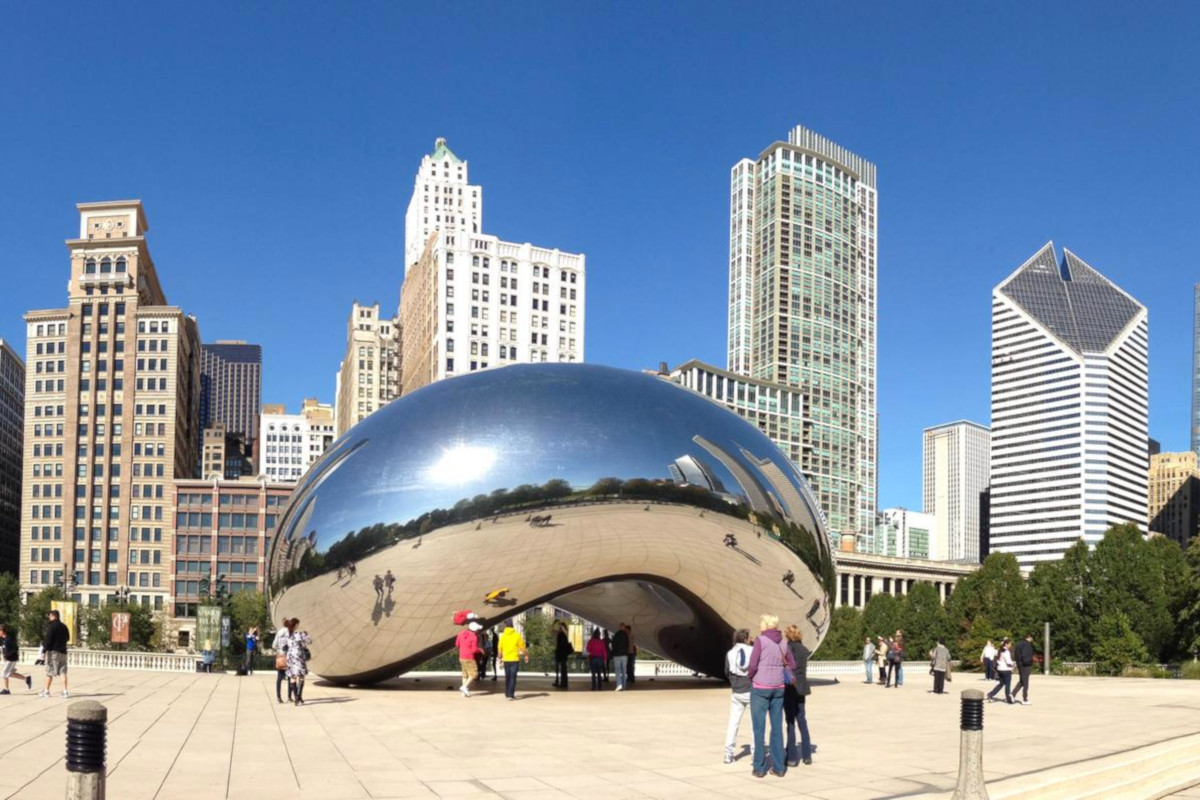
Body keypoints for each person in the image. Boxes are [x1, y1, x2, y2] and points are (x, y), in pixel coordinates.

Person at [747, 613, 796, 778]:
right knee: (777, 728)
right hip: (779, 688)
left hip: (760, 687)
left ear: (766, 624)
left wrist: (751, 676)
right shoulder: (783, 642)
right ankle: (779, 767)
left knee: (759, 728)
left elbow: (753, 664)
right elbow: (792, 663)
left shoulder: (761, 641)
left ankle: (759, 767)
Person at [782, 625, 812, 767]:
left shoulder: (788, 648)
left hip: (790, 687)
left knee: (790, 722)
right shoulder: (803, 649)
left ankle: (792, 757)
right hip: (802, 687)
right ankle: (807, 755)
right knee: (802, 721)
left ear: (788, 635)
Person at [723, 628, 753, 764]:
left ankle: (728, 754)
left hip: (737, 691)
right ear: (746, 639)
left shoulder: (730, 653)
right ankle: (755, 753)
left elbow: (726, 672)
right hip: (751, 690)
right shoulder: (751, 651)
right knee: (755, 724)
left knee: (733, 723)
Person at [40, 609, 70, 699]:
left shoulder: (52, 626)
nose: (49, 618)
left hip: (53, 652)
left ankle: (46, 691)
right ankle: (65, 691)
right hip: (63, 652)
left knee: (49, 671)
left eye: (50, 616)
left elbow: (48, 640)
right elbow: (68, 638)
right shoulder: (64, 626)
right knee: (63, 672)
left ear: (53, 616)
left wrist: (43, 651)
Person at [497, 620, 528, 700]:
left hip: (506, 659)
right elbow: (522, 647)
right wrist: (526, 655)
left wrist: (500, 658)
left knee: (507, 676)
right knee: (513, 677)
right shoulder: (517, 636)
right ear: (513, 626)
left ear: (506, 627)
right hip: (514, 659)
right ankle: (510, 694)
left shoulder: (503, 636)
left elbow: (500, 648)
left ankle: (507, 693)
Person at [283, 618, 312, 706]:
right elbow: (309, 641)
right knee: (301, 676)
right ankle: (298, 697)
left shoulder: (287, 635)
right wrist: (307, 635)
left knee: (292, 677)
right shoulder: (300, 634)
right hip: (299, 657)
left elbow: (284, 646)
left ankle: (296, 698)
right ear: (296, 625)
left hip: (290, 658)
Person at [0, 623, 32, 694]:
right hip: (10, 659)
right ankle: (27, 679)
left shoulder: (8, 639)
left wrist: (7, 655)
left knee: (4, 673)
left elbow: (15, 648)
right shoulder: (4, 639)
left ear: (2, 631)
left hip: (11, 659)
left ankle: (6, 690)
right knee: (10, 673)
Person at [455, 620, 482, 697]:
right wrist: (479, 650)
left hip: (461, 656)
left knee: (465, 675)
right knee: (474, 674)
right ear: (475, 630)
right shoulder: (474, 637)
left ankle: (463, 692)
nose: (478, 631)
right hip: (469, 657)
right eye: (477, 629)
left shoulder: (461, 633)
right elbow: (474, 649)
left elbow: (457, 644)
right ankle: (464, 687)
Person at [272, 618, 294, 703]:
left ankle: (278, 697)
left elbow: (273, 645)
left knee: (279, 678)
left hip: (280, 656)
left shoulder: (279, 632)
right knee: (290, 677)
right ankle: (289, 697)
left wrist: (279, 649)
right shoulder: (290, 633)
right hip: (288, 656)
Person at [987, 638, 1014, 704]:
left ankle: (991, 694)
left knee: (1001, 684)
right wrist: (1012, 665)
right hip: (1006, 670)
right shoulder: (1006, 651)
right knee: (1007, 685)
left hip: (1000, 669)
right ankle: (1008, 699)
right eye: (1010, 644)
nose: (1010, 645)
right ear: (1006, 644)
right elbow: (1008, 661)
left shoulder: (1000, 650)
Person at [1011, 633, 1035, 705]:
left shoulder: (1019, 644)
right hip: (1025, 666)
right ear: (1029, 637)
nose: (1032, 639)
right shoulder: (1026, 644)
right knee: (1025, 682)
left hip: (1020, 665)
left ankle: (1012, 694)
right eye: (1032, 638)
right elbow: (1026, 655)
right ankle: (1025, 699)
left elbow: (1016, 655)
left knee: (1022, 681)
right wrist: (1029, 662)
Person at [553, 621, 572, 690]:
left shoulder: (565, 633)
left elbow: (566, 633)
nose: (560, 628)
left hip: (563, 653)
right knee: (560, 668)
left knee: (564, 669)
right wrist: (554, 623)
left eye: (561, 626)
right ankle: (561, 682)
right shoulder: (559, 634)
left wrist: (562, 627)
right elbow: (552, 630)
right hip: (560, 653)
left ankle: (564, 683)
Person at [611, 623, 630, 691]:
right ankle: (624, 685)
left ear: (620, 627)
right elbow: (627, 644)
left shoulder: (616, 634)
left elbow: (613, 644)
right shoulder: (626, 635)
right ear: (624, 627)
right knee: (624, 671)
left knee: (618, 671)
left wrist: (613, 652)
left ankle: (619, 684)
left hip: (617, 655)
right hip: (624, 655)